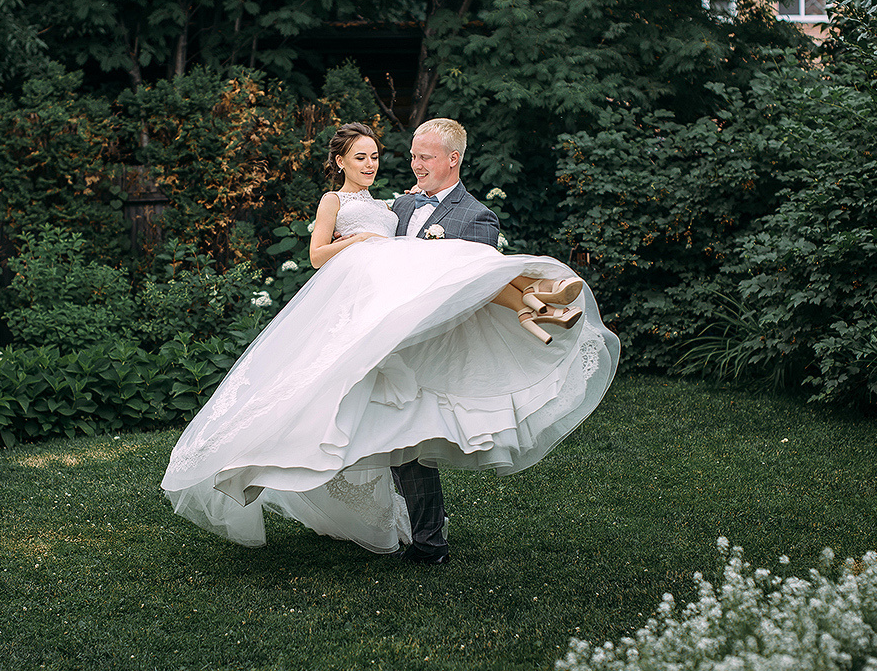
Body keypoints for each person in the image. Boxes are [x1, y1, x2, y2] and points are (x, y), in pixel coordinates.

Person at [161, 120, 621, 563]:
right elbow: (334, 253)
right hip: (376, 331)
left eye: (424, 156)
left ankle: (536, 303)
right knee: (350, 421)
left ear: (452, 159)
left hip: (433, 344)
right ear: (342, 161)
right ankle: (267, 458)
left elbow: (475, 281)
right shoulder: (394, 206)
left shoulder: (474, 214)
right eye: (410, 155)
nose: (413, 163)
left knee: (413, 433)